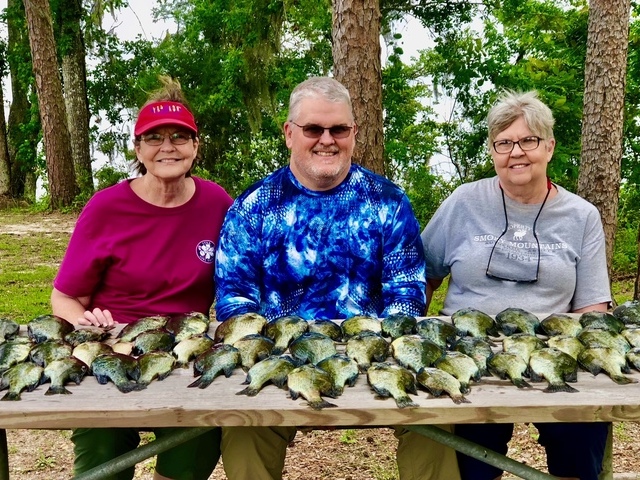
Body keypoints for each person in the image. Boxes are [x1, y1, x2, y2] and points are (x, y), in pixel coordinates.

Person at [214, 76, 453, 480]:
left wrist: (375, 352)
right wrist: (271, 353)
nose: (327, 139)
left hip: (377, 356)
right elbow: (236, 301)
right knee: (243, 429)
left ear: (354, 134)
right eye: (313, 129)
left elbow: (407, 295)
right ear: (290, 134)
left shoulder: (388, 202)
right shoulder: (254, 206)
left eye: (338, 129)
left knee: (437, 424)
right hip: (281, 357)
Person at [421, 90, 611, 480]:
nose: (516, 152)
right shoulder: (463, 202)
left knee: (582, 445)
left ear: (550, 147)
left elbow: (593, 308)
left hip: (554, 356)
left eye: (528, 140)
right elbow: (423, 276)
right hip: (466, 358)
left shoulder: (582, 216)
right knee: (470, 465)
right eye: (504, 143)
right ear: (493, 151)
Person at [51, 76, 233, 480]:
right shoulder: (106, 208)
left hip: (185, 352)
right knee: (102, 455)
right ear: (138, 148)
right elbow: (64, 297)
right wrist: (84, 321)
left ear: (195, 145)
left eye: (179, 137)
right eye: (154, 137)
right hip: (112, 345)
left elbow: (242, 281)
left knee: (198, 442)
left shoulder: (218, 203)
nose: (168, 147)